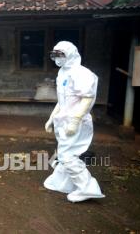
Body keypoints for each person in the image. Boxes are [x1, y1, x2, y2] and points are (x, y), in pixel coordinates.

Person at [43, 41, 105, 202]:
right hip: (63, 120)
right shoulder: (63, 73)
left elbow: (88, 97)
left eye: (60, 54)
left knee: (67, 156)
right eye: (54, 54)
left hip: (75, 121)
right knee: (63, 153)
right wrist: (51, 118)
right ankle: (62, 182)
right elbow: (63, 100)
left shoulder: (82, 73)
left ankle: (87, 188)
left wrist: (76, 120)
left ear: (70, 54)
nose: (57, 58)